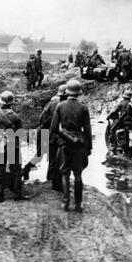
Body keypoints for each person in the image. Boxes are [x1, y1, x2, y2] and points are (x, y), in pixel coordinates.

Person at [50, 80, 92, 213]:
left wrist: (59, 140)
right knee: (78, 174)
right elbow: (87, 129)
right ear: (79, 93)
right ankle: (78, 204)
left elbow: (54, 128)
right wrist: (89, 146)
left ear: (67, 91)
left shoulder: (60, 106)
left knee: (65, 173)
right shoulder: (83, 107)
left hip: (64, 144)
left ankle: (65, 202)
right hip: (79, 143)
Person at [0, 91, 28, 203]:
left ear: (1, 102)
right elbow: (22, 134)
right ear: (11, 103)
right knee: (16, 170)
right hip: (13, 145)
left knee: (0, 171)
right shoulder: (15, 116)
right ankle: (17, 193)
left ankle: (0, 196)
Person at [37, 84, 68, 191]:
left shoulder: (52, 104)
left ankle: (50, 180)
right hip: (55, 135)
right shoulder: (63, 105)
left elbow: (42, 119)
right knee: (57, 160)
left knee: (51, 160)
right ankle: (54, 182)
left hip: (50, 134)